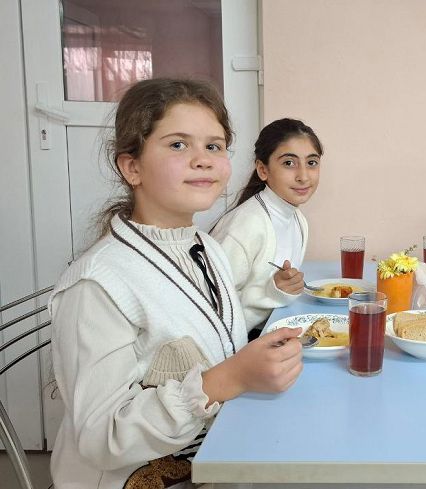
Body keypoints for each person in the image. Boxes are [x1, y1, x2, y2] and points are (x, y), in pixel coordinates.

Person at [48, 78, 303, 489]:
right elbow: (100, 437)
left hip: (216, 455)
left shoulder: (205, 248)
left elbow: (216, 344)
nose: (202, 160)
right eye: (178, 144)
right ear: (132, 167)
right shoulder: (96, 285)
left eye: (214, 146)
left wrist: (253, 361)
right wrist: (230, 378)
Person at [211, 118, 322, 335]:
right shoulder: (247, 224)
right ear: (263, 170)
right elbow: (213, 310)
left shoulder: (298, 220)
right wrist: (273, 292)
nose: (303, 176)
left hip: (272, 330)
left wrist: (281, 289)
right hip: (240, 344)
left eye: (311, 163)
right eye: (289, 163)